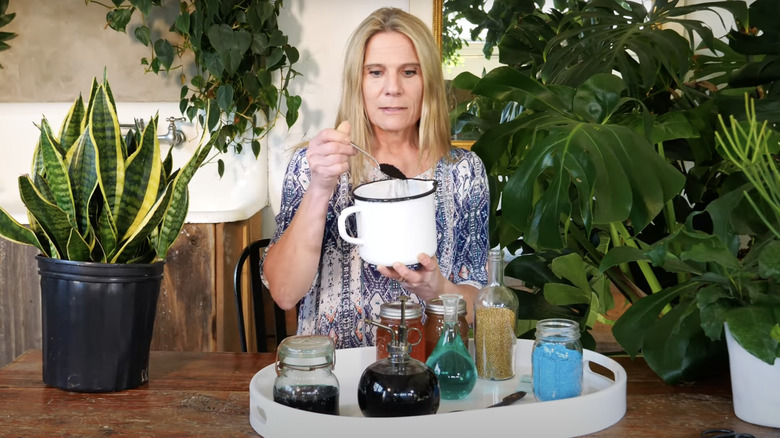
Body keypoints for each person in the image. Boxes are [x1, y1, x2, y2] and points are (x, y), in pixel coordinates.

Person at [262, 7, 489, 349]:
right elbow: (284, 293)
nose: (393, 88)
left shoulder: (464, 172)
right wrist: (321, 187)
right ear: (358, 81)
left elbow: (478, 308)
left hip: (432, 373)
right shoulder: (316, 163)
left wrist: (436, 289)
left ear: (428, 80)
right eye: (376, 72)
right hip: (333, 376)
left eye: (409, 72)